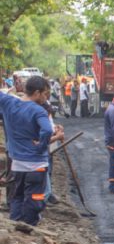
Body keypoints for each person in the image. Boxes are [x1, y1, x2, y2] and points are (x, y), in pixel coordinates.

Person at [0, 76, 65, 225]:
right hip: (36, 164)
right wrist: (41, 146)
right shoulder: (38, 111)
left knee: (17, 195)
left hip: (17, 163)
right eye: (44, 94)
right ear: (36, 92)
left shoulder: (9, 103)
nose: (45, 97)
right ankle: (29, 225)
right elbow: (47, 130)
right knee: (34, 196)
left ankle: (16, 222)